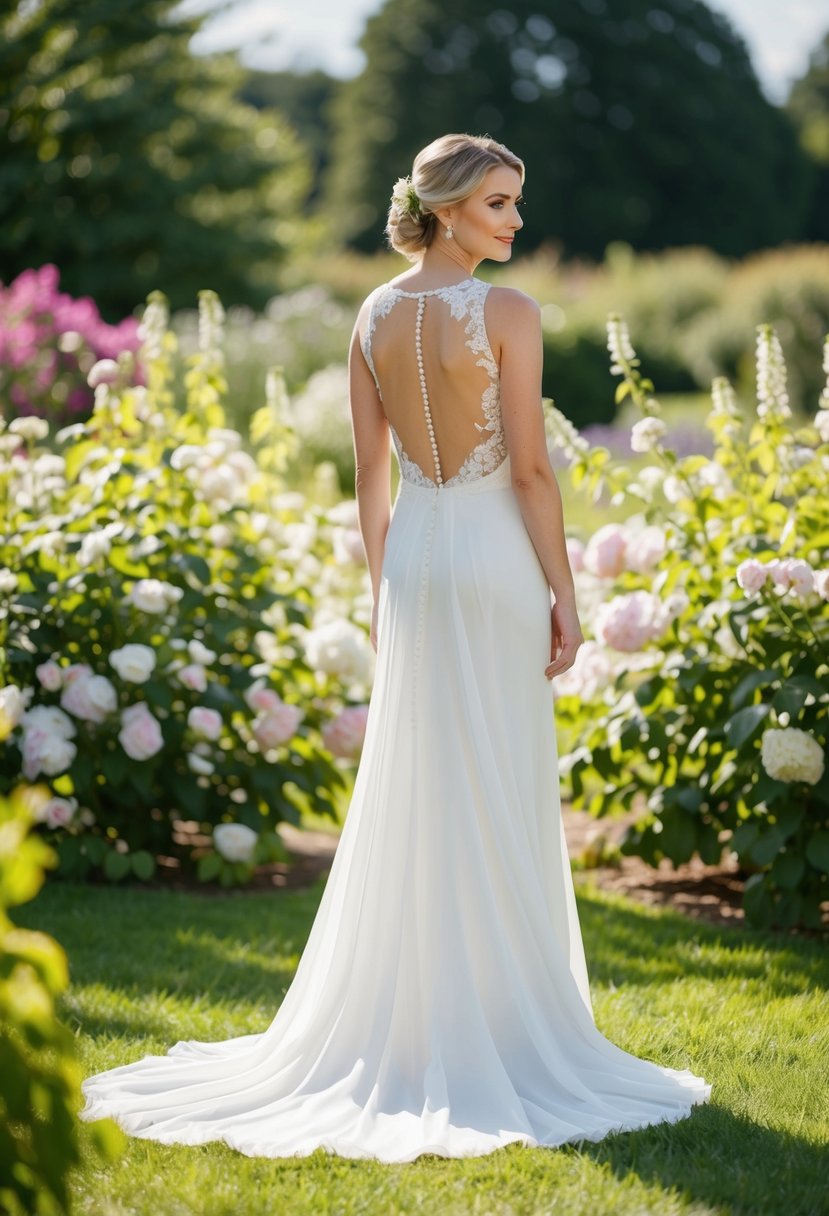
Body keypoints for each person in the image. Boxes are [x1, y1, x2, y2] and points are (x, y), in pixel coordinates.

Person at [78, 133, 711, 1162]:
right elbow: (535, 475)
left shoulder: (371, 314)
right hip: (491, 555)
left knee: (418, 782)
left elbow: (368, 480)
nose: (512, 222)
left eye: (515, 202)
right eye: (498, 203)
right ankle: (501, 1022)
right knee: (497, 779)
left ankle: (419, 1015)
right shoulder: (505, 312)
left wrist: (383, 589)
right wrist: (565, 590)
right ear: (449, 208)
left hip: (415, 556)